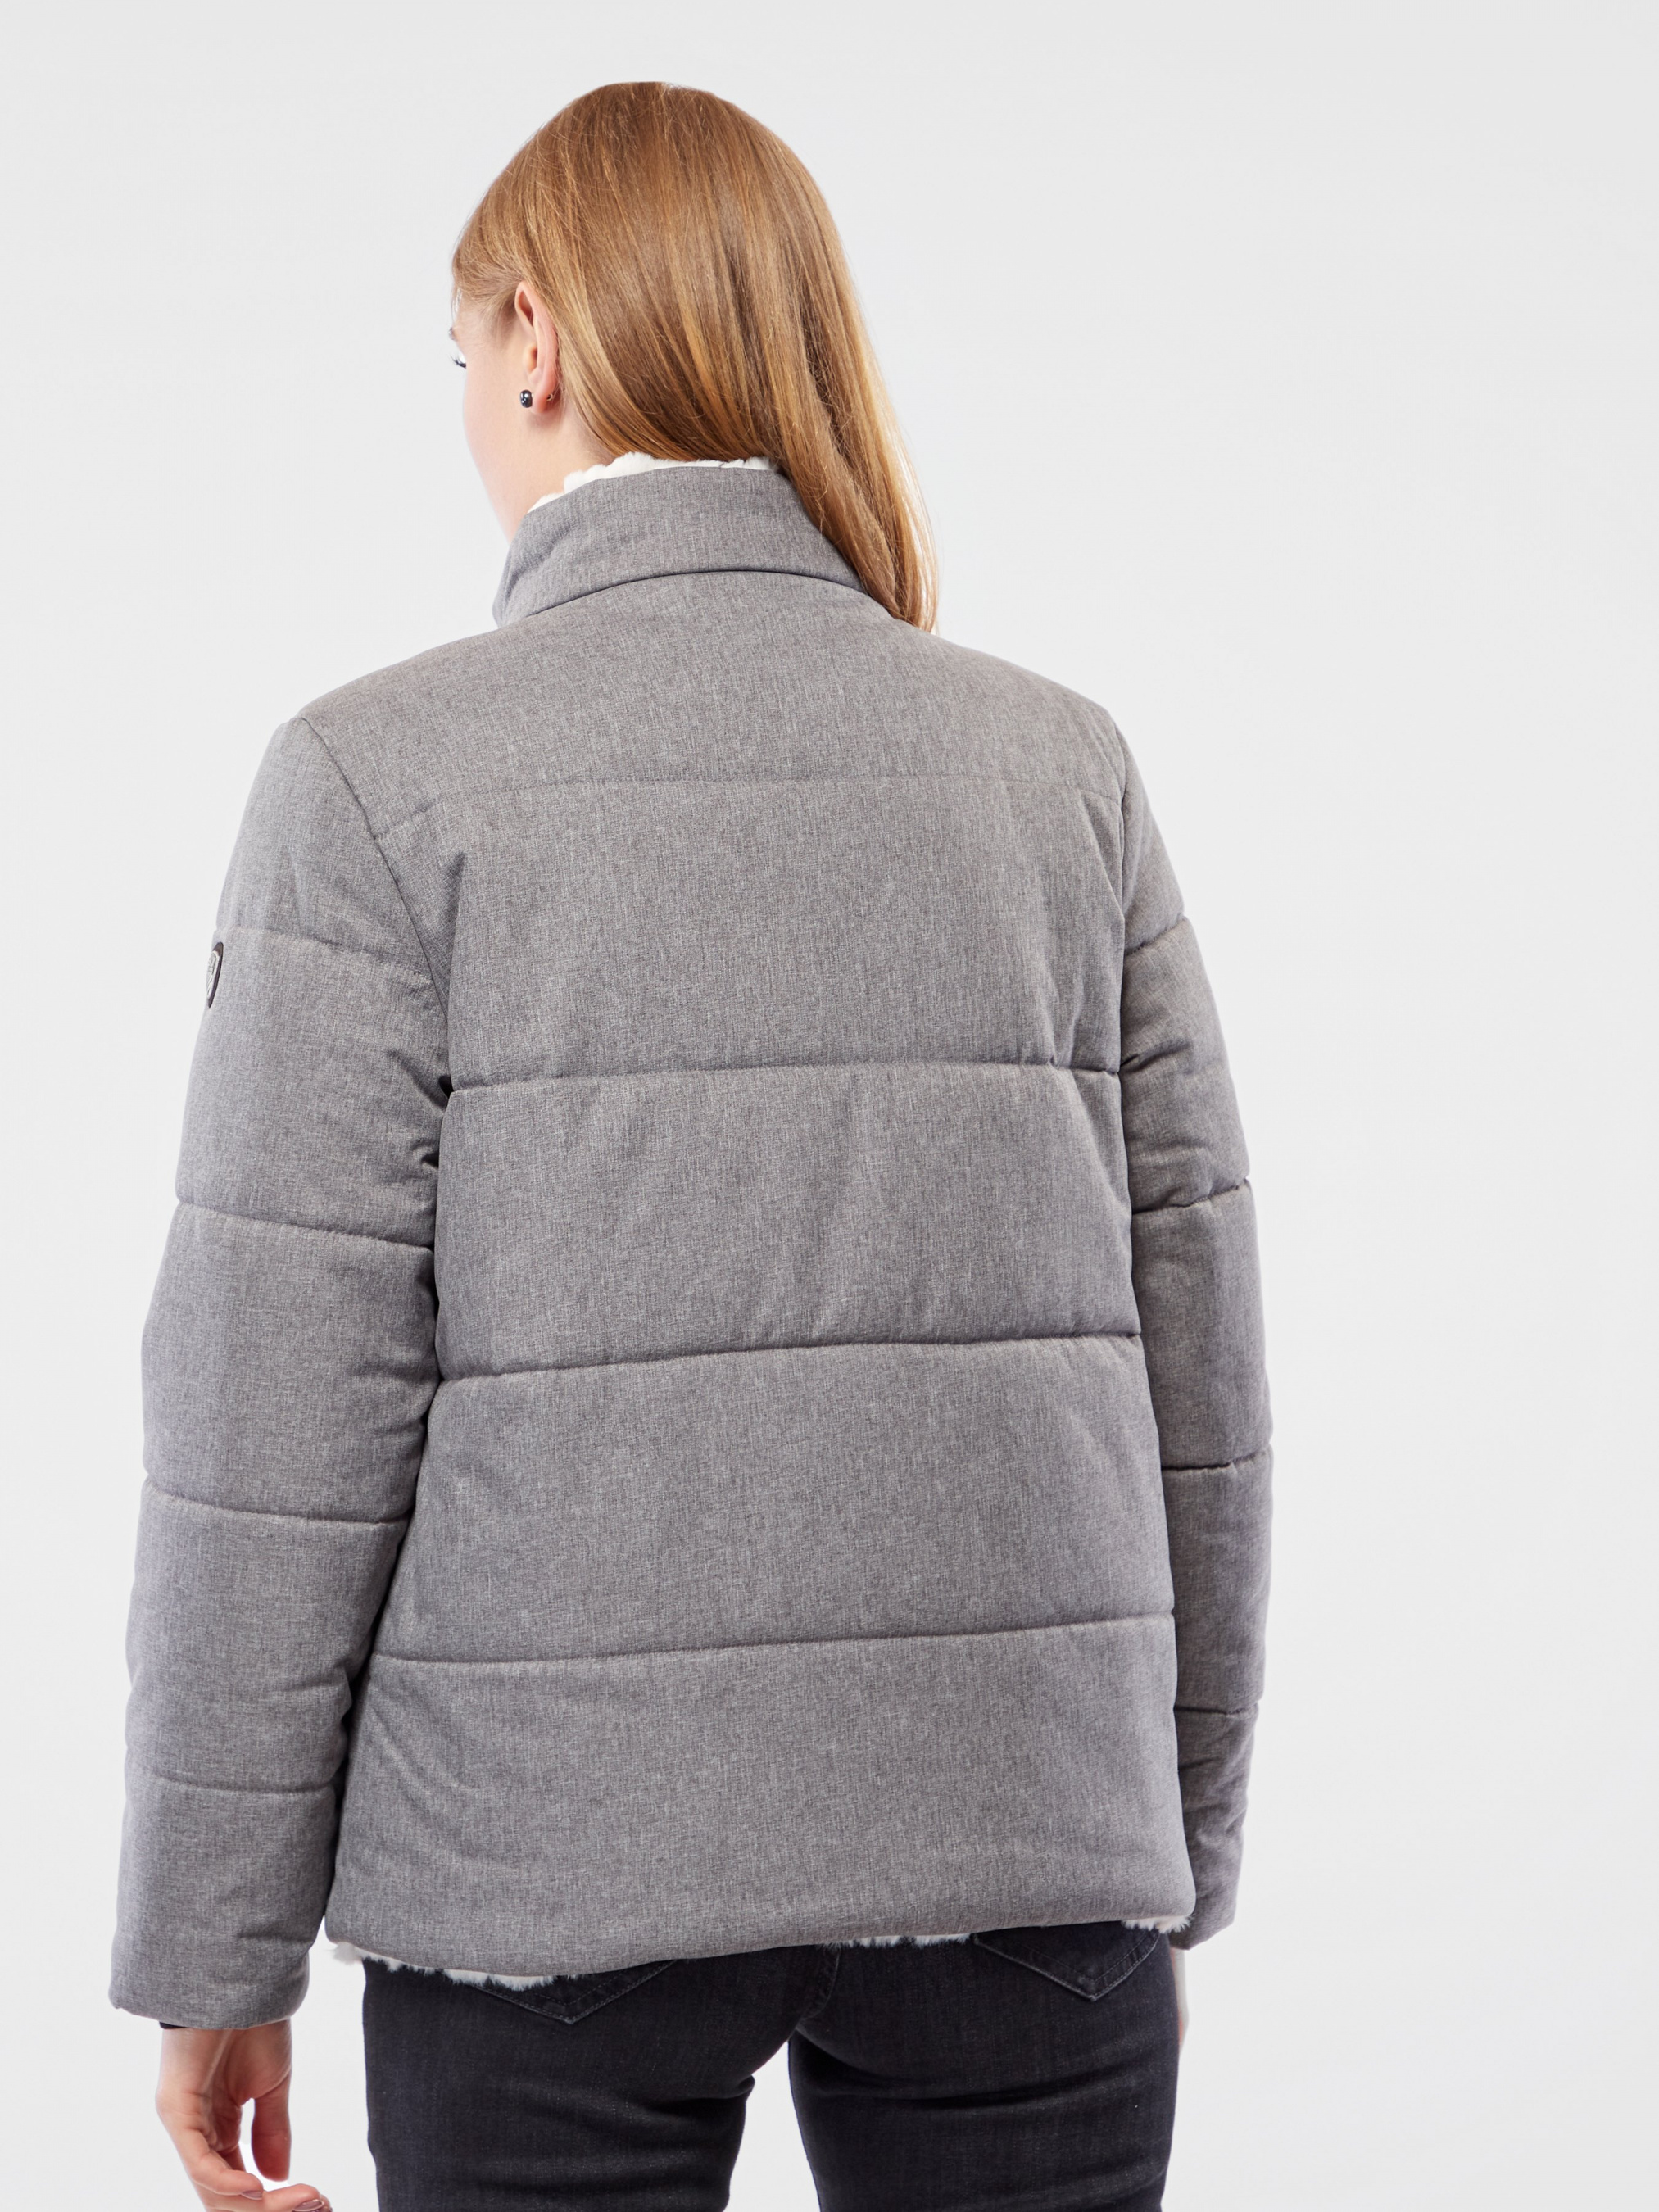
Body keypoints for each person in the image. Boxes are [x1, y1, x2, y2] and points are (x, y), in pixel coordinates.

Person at [112, 80, 1271, 2212]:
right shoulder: (1058, 771)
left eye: (460, 351)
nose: (464, 404)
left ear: (537, 345)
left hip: (544, 1866)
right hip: (1030, 1857)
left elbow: (270, 1415)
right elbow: (1198, 1361)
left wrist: (215, 1947)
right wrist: (1160, 1855)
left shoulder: (374, 780)